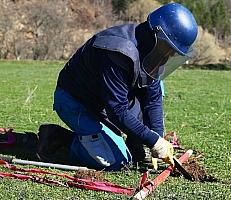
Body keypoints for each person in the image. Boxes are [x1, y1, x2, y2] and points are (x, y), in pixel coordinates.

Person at [42, 3, 198, 171]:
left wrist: (157, 137)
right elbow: (117, 110)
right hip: (76, 101)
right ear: (156, 35)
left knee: (158, 86)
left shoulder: (155, 53)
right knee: (115, 161)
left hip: (107, 99)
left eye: (173, 53)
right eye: (168, 49)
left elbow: (153, 100)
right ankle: (60, 139)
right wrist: (153, 140)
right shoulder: (117, 52)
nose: (168, 56)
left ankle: (133, 146)